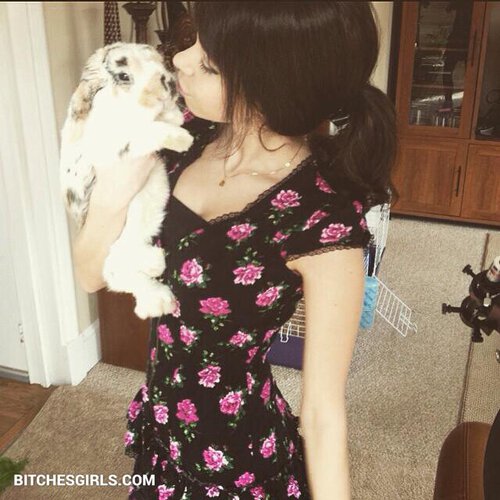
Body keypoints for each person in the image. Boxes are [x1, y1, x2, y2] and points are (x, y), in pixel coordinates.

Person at [73, 2, 397, 499]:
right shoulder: (185, 135)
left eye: (209, 64)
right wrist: (111, 197)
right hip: (163, 424)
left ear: (271, 85)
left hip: (238, 464)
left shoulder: (321, 219)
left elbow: (323, 413)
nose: (180, 60)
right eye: (194, 42)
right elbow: (91, 276)